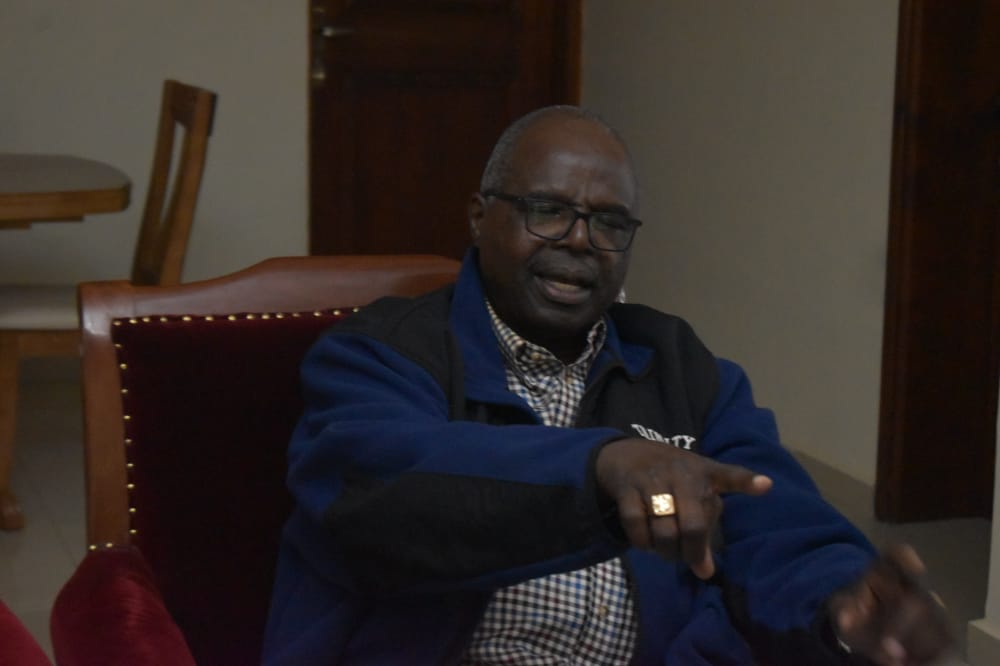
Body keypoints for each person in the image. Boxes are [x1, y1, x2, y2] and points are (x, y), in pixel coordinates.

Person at [264, 106, 955, 665]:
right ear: (479, 216)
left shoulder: (678, 366)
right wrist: (604, 468)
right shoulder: (381, 351)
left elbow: (780, 528)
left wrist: (843, 605)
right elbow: (385, 497)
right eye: (547, 210)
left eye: (609, 223)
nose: (579, 240)